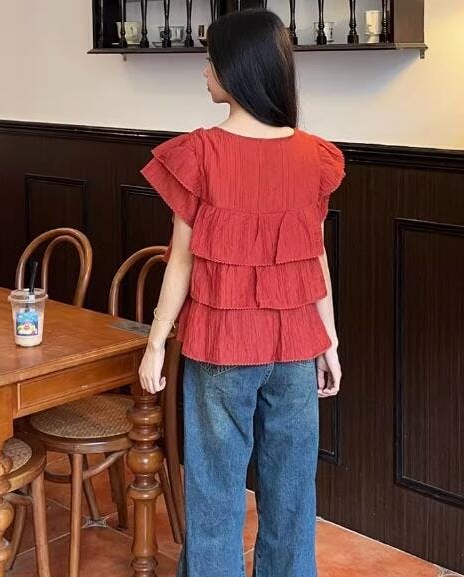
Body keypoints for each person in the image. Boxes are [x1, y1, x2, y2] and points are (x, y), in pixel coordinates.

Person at [138, 8, 345, 577]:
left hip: (222, 344)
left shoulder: (200, 153)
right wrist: (328, 342)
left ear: (236, 70)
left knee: (215, 490)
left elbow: (181, 260)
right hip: (296, 347)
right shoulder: (314, 155)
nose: (204, 71)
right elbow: (316, 257)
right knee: (293, 490)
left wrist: (155, 342)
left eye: (210, 61)